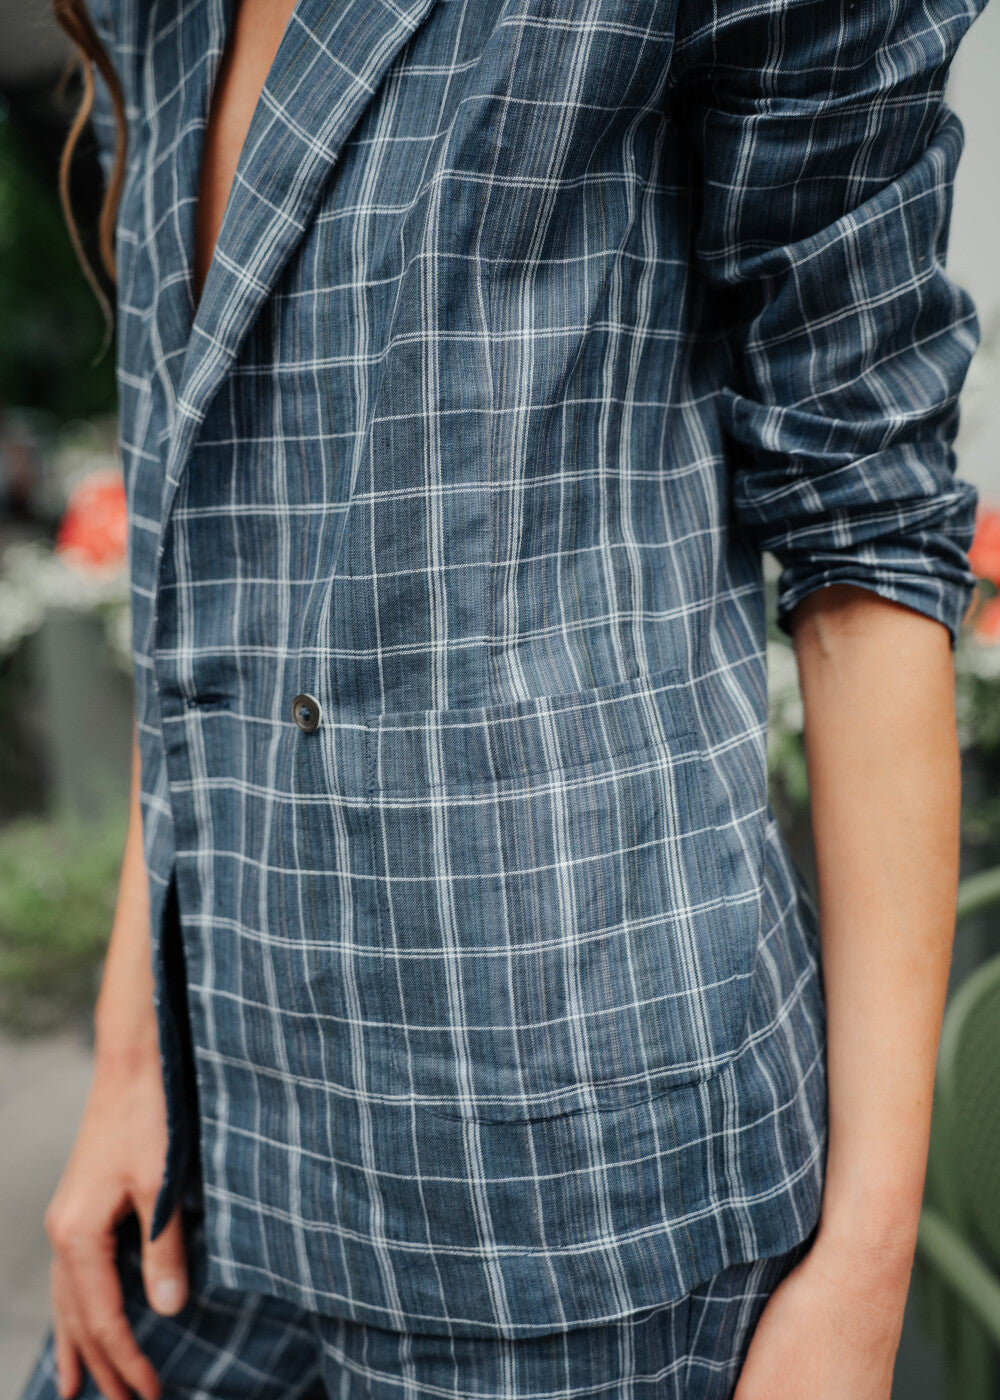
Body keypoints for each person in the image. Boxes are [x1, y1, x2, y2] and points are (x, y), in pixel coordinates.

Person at [20, 0, 990, 1395]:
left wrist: (865, 1267)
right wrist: (130, 1056)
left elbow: (869, 535)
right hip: (228, 1139)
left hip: (573, 1212)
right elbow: (203, 553)